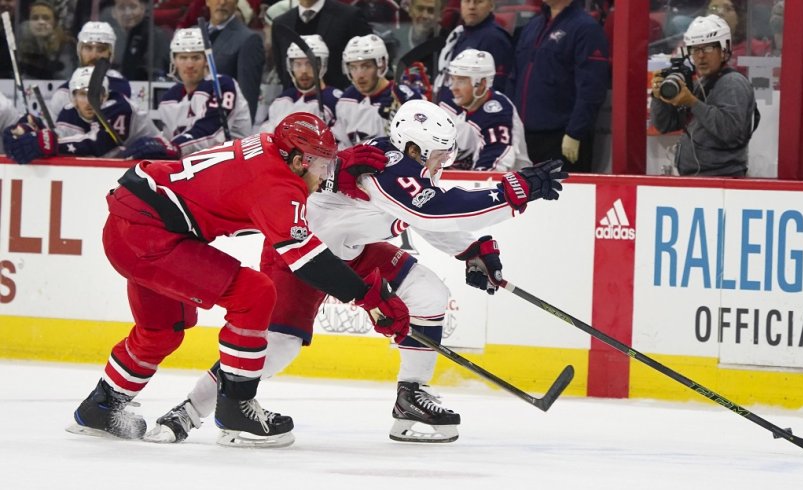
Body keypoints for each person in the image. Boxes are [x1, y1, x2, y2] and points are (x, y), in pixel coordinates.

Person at [144, 99, 568, 445]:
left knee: (428, 295)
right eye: (438, 155)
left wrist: (473, 250)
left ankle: (410, 400)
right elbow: (431, 211)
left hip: (351, 249)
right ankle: (190, 410)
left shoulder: (404, 166)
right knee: (277, 348)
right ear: (415, 149)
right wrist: (515, 189)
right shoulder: (383, 168)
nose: (443, 162)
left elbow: (426, 212)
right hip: (304, 253)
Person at [65, 112, 410, 447]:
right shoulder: (277, 185)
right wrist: (366, 296)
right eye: (320, 165)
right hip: (149, 235)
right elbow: (306, 260)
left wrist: (342, 163)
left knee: (161, 331)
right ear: (295, 159)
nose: (324, 174)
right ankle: (236, 408)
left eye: (327, 163)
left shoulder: (268, 147)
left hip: (129, 226)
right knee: (254, 293)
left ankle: (100, 407)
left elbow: (280, 179)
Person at [507, 0, 610, 173]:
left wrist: (575, 132)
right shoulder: (532, 27)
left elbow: (592, 86)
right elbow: (514, 77)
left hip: (560, 138)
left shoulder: (586, 28)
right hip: (524, 137)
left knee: (561, 198)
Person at [650, 14, 757, 177]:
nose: (700, 56)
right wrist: (659, 98)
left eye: (707, 48)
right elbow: (665, 125)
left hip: (722, 180)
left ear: (723, 50)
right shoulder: (702, 83)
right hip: (700, 179)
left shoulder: (732, 82)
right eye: (695, 49)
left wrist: (692, 102)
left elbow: (731, 132)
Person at [2, 66, 169, 164]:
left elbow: (99, 147)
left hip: (162, 160)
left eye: (95, 94)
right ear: (73, 98)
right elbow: (60, 137)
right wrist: (28, 127)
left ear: (105, 95)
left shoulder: (120, 108)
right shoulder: (69, 111)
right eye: (82, 94)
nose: (89, 101)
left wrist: (47, 143)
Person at [155, 27, 253, 157]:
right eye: (183, 57)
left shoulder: (222, 85)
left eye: (196, 58)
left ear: (206, 60)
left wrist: (173, 147)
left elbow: (210, 134)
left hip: (231, 165)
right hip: (190, 167)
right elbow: (170, 140)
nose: (189, 65)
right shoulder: (169, 98)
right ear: (174, 60)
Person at [438, 49, 529, 171]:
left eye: (461, 80)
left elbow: (490, 173)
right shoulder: (451, 100)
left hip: (506, 186)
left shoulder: (498, 114)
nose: (454, 88)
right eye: (452, 79)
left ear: (482, 84)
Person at [333, 34, 423, 148]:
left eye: (366, 66)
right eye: (353, 67)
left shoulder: (404, 97)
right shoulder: (346, 100)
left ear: (381, 65)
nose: (359, 75)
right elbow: (341, 148)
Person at [270, 0, 373, 90]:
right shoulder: (280, 23)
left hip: (340, 102)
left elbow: (369, 59)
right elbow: (281, 67)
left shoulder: (349, 16)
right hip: (296, 104)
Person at [47, 21, 132, 119]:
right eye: (88, 48)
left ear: (110, 53)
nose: (94, 55)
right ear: (80, 52)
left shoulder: (121, 87)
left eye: (101, 49)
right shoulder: (63, 95)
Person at [260, 35, 342, 132]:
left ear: (322, 65)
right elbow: (264, 136)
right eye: (297, 64)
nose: (303, 71)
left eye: (310, 64)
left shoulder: (336, 101)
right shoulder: (282, 100)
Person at [206, 0, 266, 120]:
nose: (222, 3)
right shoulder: (194, 33)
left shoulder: (248, 39)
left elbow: (247, 96)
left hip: (224, 125)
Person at [436, 0, 513, 94]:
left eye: (478, 1)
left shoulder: (495, 39)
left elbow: (497, 88)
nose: (471, 6)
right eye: (467, 1)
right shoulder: (460, 33)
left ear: (491, 5)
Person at [102, 0, 172, 81]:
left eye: (133, 7)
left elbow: (157, 76)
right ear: (113, 12)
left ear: (143, 8)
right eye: (121, 7)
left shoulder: (155, 36)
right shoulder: (112, 36)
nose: (127, 13)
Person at [17, 0, 77, 80]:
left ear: (54, 22)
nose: (41, 22)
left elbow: (66, 77)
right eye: (35, 18)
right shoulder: (19, 43)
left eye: (46, 18)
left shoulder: (65, 45)